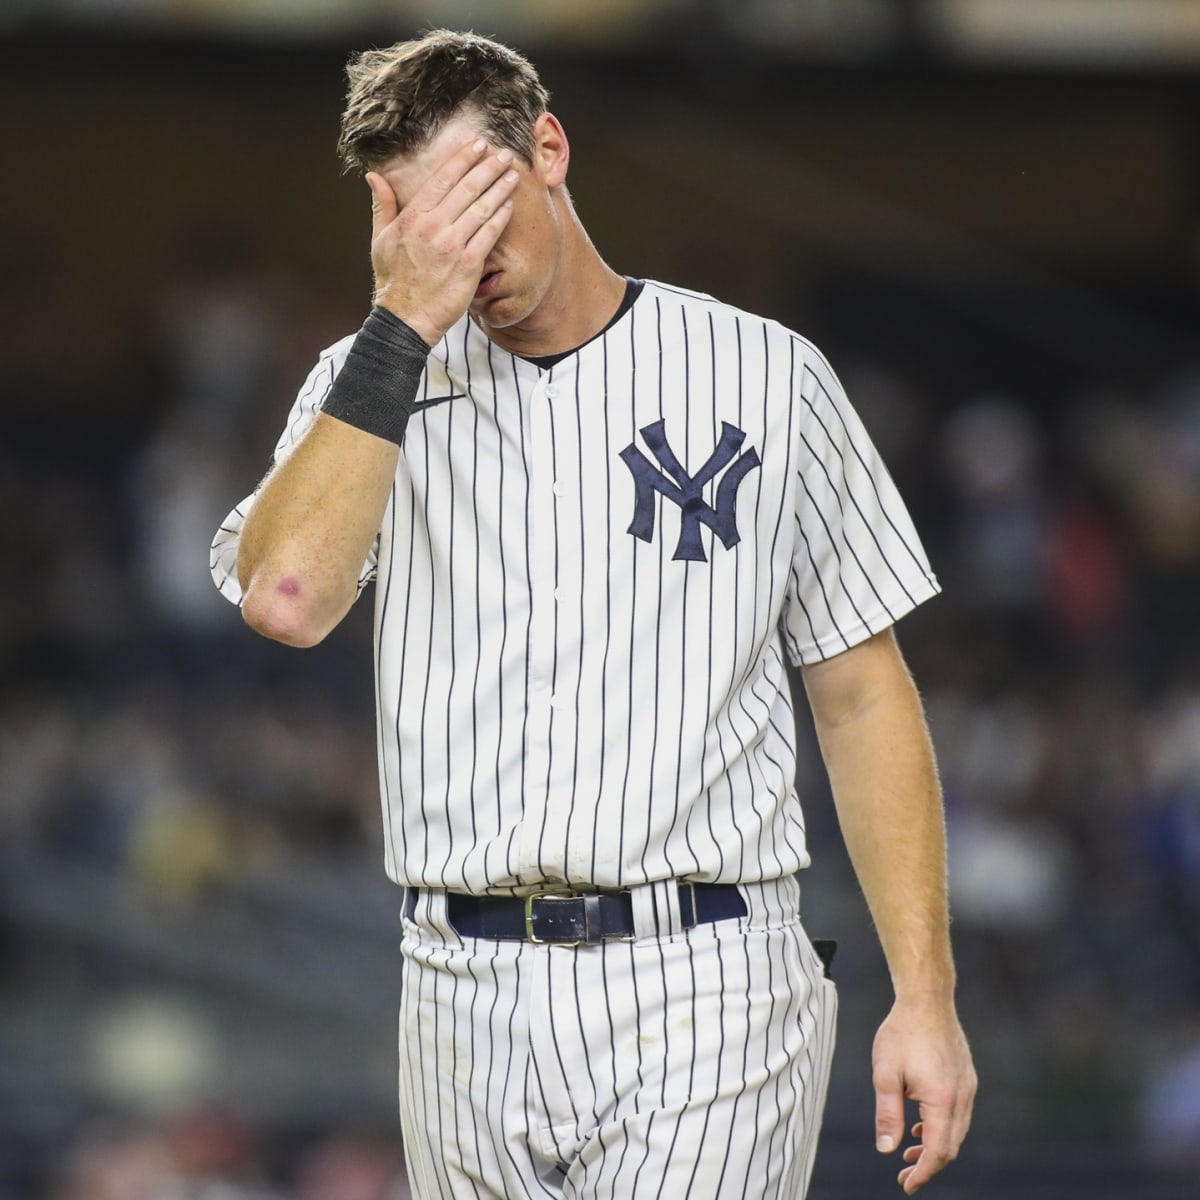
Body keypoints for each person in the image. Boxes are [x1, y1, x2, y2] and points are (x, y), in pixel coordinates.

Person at [210, 29, 975, 1200]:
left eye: (480, 205)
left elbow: (862, 690)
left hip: (706, 973)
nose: (464, 255)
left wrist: (925, 998)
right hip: (456, 985)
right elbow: (289, 601)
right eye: (426, 225)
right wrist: (400, 327)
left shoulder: (764, 373)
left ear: (549, 150)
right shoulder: (367, 385)